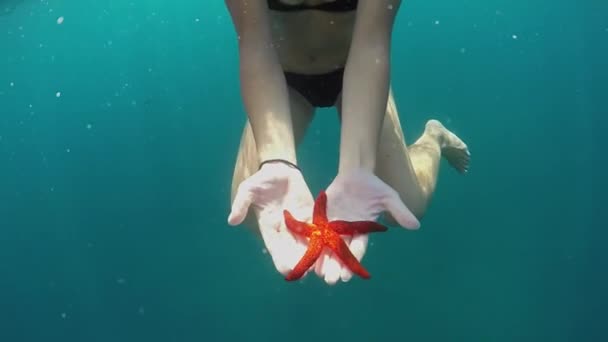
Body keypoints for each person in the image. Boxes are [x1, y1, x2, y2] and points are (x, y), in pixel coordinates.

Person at [224, 0, 470, 285]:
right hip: (283, 80)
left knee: (409, 206)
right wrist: (276, 161)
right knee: (253, 211)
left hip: (356, 72)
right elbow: (255, 45)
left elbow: (372, 43)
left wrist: (358, 168)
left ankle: (433, 138)